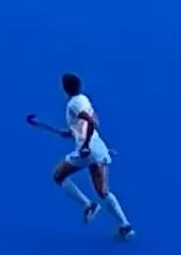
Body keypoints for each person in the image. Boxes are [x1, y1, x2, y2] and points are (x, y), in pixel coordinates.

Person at [51, 72, 135, 240]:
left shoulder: (73, 104)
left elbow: (91, 122)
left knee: (58, 176)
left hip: (87, 150)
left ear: (64, 88)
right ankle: (125, 225)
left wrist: (85, 145)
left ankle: (88, 205)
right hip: (99, 148)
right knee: (103, 191)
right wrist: (70, 132)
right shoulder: (83, 99)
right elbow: (89, 121)